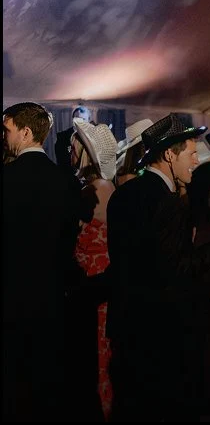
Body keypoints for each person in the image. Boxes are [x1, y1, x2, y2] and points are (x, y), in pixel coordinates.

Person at [106, 114, 210, 422]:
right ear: (170, 154)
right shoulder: (166, 202)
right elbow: (176, 270)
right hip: (161, 334)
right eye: (191, 153)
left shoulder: (123, 194)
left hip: (127, 328)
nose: (197, 161)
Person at [3, 102, 81, 421]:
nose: (4, 137)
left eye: (7, 130)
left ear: (26, 132)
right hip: (52, 298)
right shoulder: (65, 181)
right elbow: (69, 240)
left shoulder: (7, 178)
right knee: (45, 385)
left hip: (11, 297)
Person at [67, 119, 121, 422]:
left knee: (98, 353)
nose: (70, 150)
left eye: (75, 145)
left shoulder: (95, 190)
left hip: (95, 281)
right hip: (97, 279)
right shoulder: (99, 187)